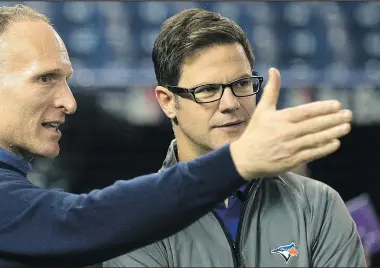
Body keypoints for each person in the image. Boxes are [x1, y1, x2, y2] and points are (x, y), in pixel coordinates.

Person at [0, 5, 353, 267]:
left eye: (67, 80)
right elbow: (85, 221)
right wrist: (236, 162)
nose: (69, 101)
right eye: (45, 79)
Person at [105, 8, 366, 267]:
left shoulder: (318, 206)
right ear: (167, 101)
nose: (230, 103)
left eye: (242, 84)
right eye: (207, 90)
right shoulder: (136, 222)